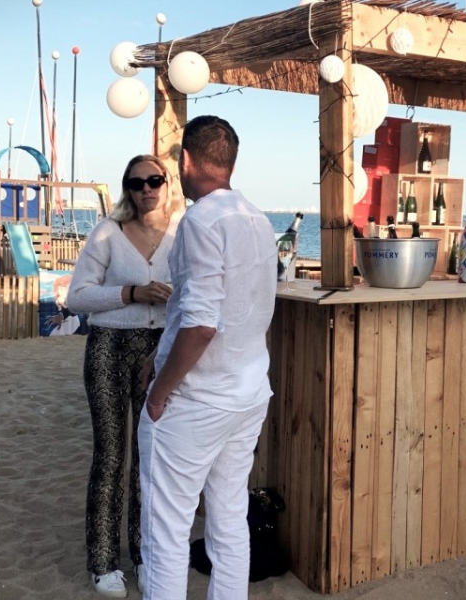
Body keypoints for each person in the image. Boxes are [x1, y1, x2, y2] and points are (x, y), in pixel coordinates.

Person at [138, 115, 277, 600]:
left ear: (188, 161)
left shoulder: (200, 220)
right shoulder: (258, 219)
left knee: (166, 531)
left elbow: (201, 323)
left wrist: (160, 390)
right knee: (228, 517)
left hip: (199, 398)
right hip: (248, 392)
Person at [68, 154, 181, 598]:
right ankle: (102, 560)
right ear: (127, 189)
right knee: (112, 456)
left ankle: (144, 553)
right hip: (110, 348)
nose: (146, 189)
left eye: (154, 180)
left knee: (151, 459)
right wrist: (132, 293)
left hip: (162, 351)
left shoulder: (183, 231)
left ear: (168, 182)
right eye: (136, 184)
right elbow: (78, 297)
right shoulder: (107, 233)